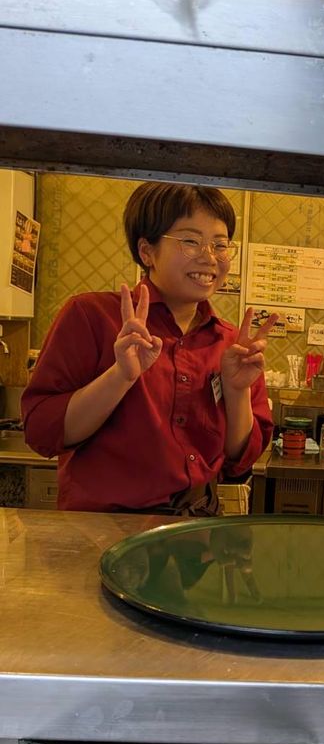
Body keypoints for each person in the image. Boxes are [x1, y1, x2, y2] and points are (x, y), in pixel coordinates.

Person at [22, 182, 277, 514]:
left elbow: (239, 460)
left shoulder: (231, 343)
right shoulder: (92, 316)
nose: (209, 257)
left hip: (195, 528)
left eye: (220, 244)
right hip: (104, 527)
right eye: (190, 241)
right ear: (147, 251)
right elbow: (43, 431)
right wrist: (120, 376)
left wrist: (237, 391)